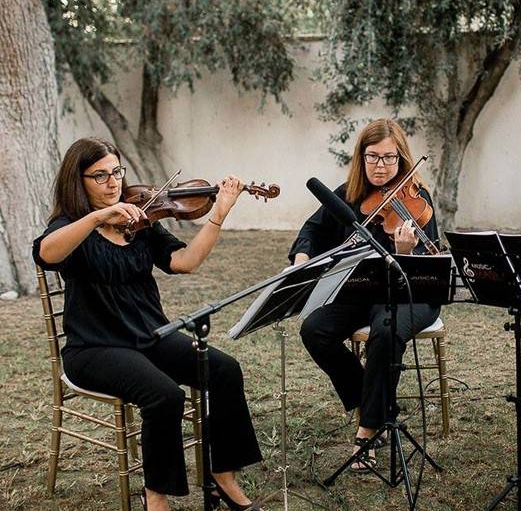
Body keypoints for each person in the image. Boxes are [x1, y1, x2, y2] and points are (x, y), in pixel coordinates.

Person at [33, 138, 263, 511]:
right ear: (79, 181)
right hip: (94, 347)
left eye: (117, 172)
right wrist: (96, 218)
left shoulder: (141, 219)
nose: (112, 183)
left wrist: (218, 213)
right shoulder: (70, 225)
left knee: (224, 369)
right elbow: (46, 252)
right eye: (100, 175)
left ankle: (222, 475)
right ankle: (155, 495)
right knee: (164, 395)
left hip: (149, 335)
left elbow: (185, 262)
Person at [288, 118, 440, 470]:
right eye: (373, 157)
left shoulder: (418, 197)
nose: (381, 167)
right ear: (361, 157)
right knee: (315, 330)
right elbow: (311, 229)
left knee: (386, 332)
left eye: (389, 158)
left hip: (412, 294)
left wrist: (404, 252)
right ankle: (374, 403)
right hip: (362, 292)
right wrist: (301, 256)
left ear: (402, 159)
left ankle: (367, 432)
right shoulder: (348, 195)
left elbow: (426, 266)